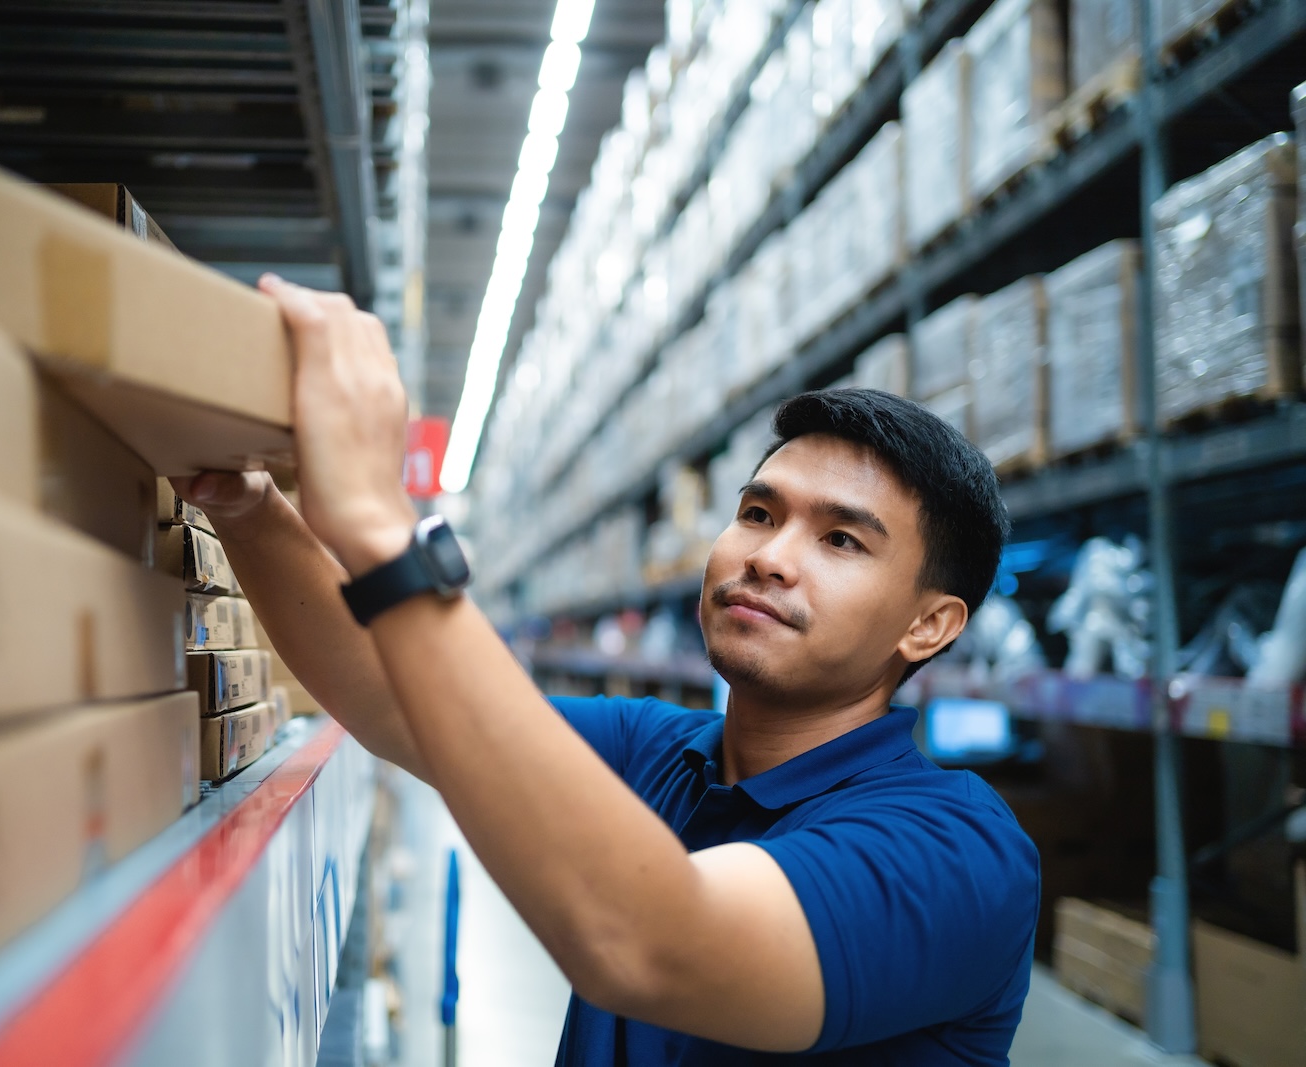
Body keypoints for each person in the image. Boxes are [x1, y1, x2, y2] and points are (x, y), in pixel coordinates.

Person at [176, 276, 1040, 1065]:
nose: (770, 556)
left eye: (840, 539)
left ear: (930, 625)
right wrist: (246, 504)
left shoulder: (957, 851)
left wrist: (382, 528)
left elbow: (653, 945)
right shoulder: (657, 751)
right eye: (757, 512)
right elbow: (394, 698)